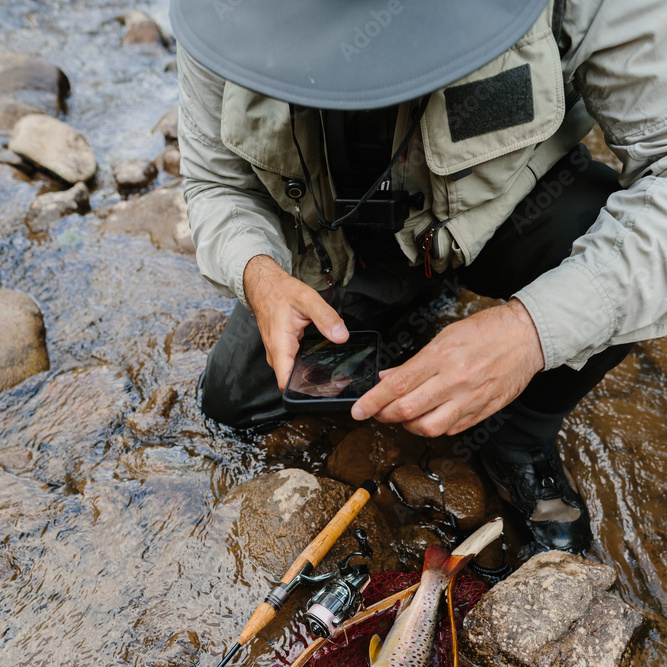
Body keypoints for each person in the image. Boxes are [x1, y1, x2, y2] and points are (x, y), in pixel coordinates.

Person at [170, 0, 667, 554]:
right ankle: (405, 298)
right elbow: (215, 183)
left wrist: (531, 332)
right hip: (335, 253)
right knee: (231, 402)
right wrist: (258, 273)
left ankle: (520, 433)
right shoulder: (221, 16)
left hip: (506, 217)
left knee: (599, 235)